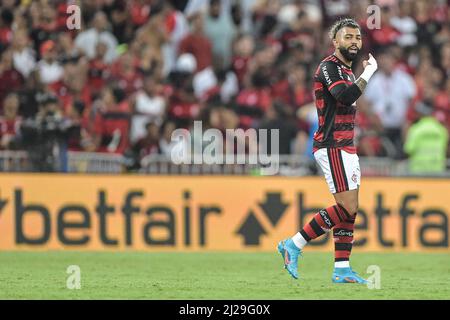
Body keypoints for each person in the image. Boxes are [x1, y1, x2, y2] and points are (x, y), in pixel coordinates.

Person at [277, 18, 378, 284]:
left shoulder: (346, 71)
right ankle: (294, 244)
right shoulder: (329, 67)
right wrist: (368, 74)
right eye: (348, 37)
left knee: (349, 210)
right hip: (332, 145)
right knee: (347, 206)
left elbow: (348, 97)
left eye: (357, 38)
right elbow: (345, 97)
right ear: (335, 42)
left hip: (346, 145)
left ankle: (342, 268)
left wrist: (361, 76)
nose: (354, 42)